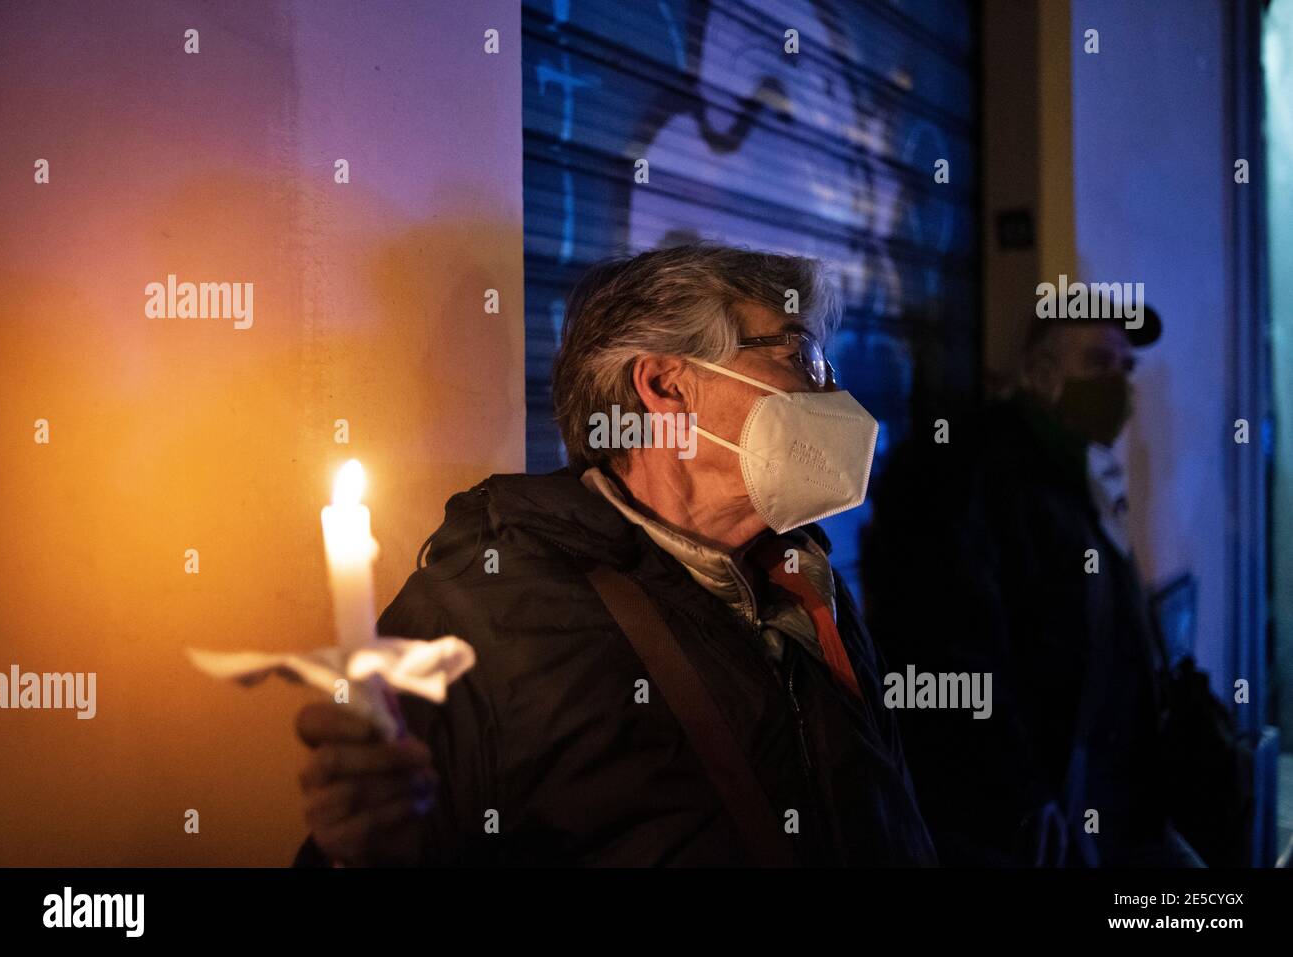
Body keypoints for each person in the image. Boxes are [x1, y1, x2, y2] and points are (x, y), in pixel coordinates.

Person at [292, 243, 938, 866]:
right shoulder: (480, 616)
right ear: (667, 388)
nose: (832, 391)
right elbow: (380, 838)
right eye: (802, 353)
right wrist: (361, 848)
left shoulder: (806, 585)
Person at [862, 298, 1204, 867]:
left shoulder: (1079, 471)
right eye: (1098, 365)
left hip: (1109, 809)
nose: (1117, 385)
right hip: (1030, 828)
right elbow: (950, 650)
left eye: (1125, 369)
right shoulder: (969, 472)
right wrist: (1022, 795)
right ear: (1042, 374)